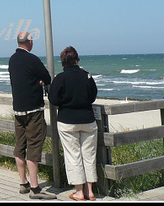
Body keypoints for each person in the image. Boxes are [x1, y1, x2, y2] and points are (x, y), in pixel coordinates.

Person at [8, 32, 56, 200]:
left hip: (18, 110)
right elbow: (47, 77)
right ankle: (35, 188)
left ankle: (23, 182)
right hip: (33, 110)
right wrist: (40, 82)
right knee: (34, 147)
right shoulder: (32, 59)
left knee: (20, 146)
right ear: (30, 43)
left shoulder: (12, 59)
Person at [48, 46, 98, 201]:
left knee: (73, 156)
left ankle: (79, 191)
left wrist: (66, 100)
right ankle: (90, 190)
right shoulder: (87, 76)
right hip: (88, 119)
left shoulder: (60, 78)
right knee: (89, 155)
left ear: (63, 62)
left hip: (67, 121)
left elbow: (53, 99)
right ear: (77, 60)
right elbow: (93, 96)